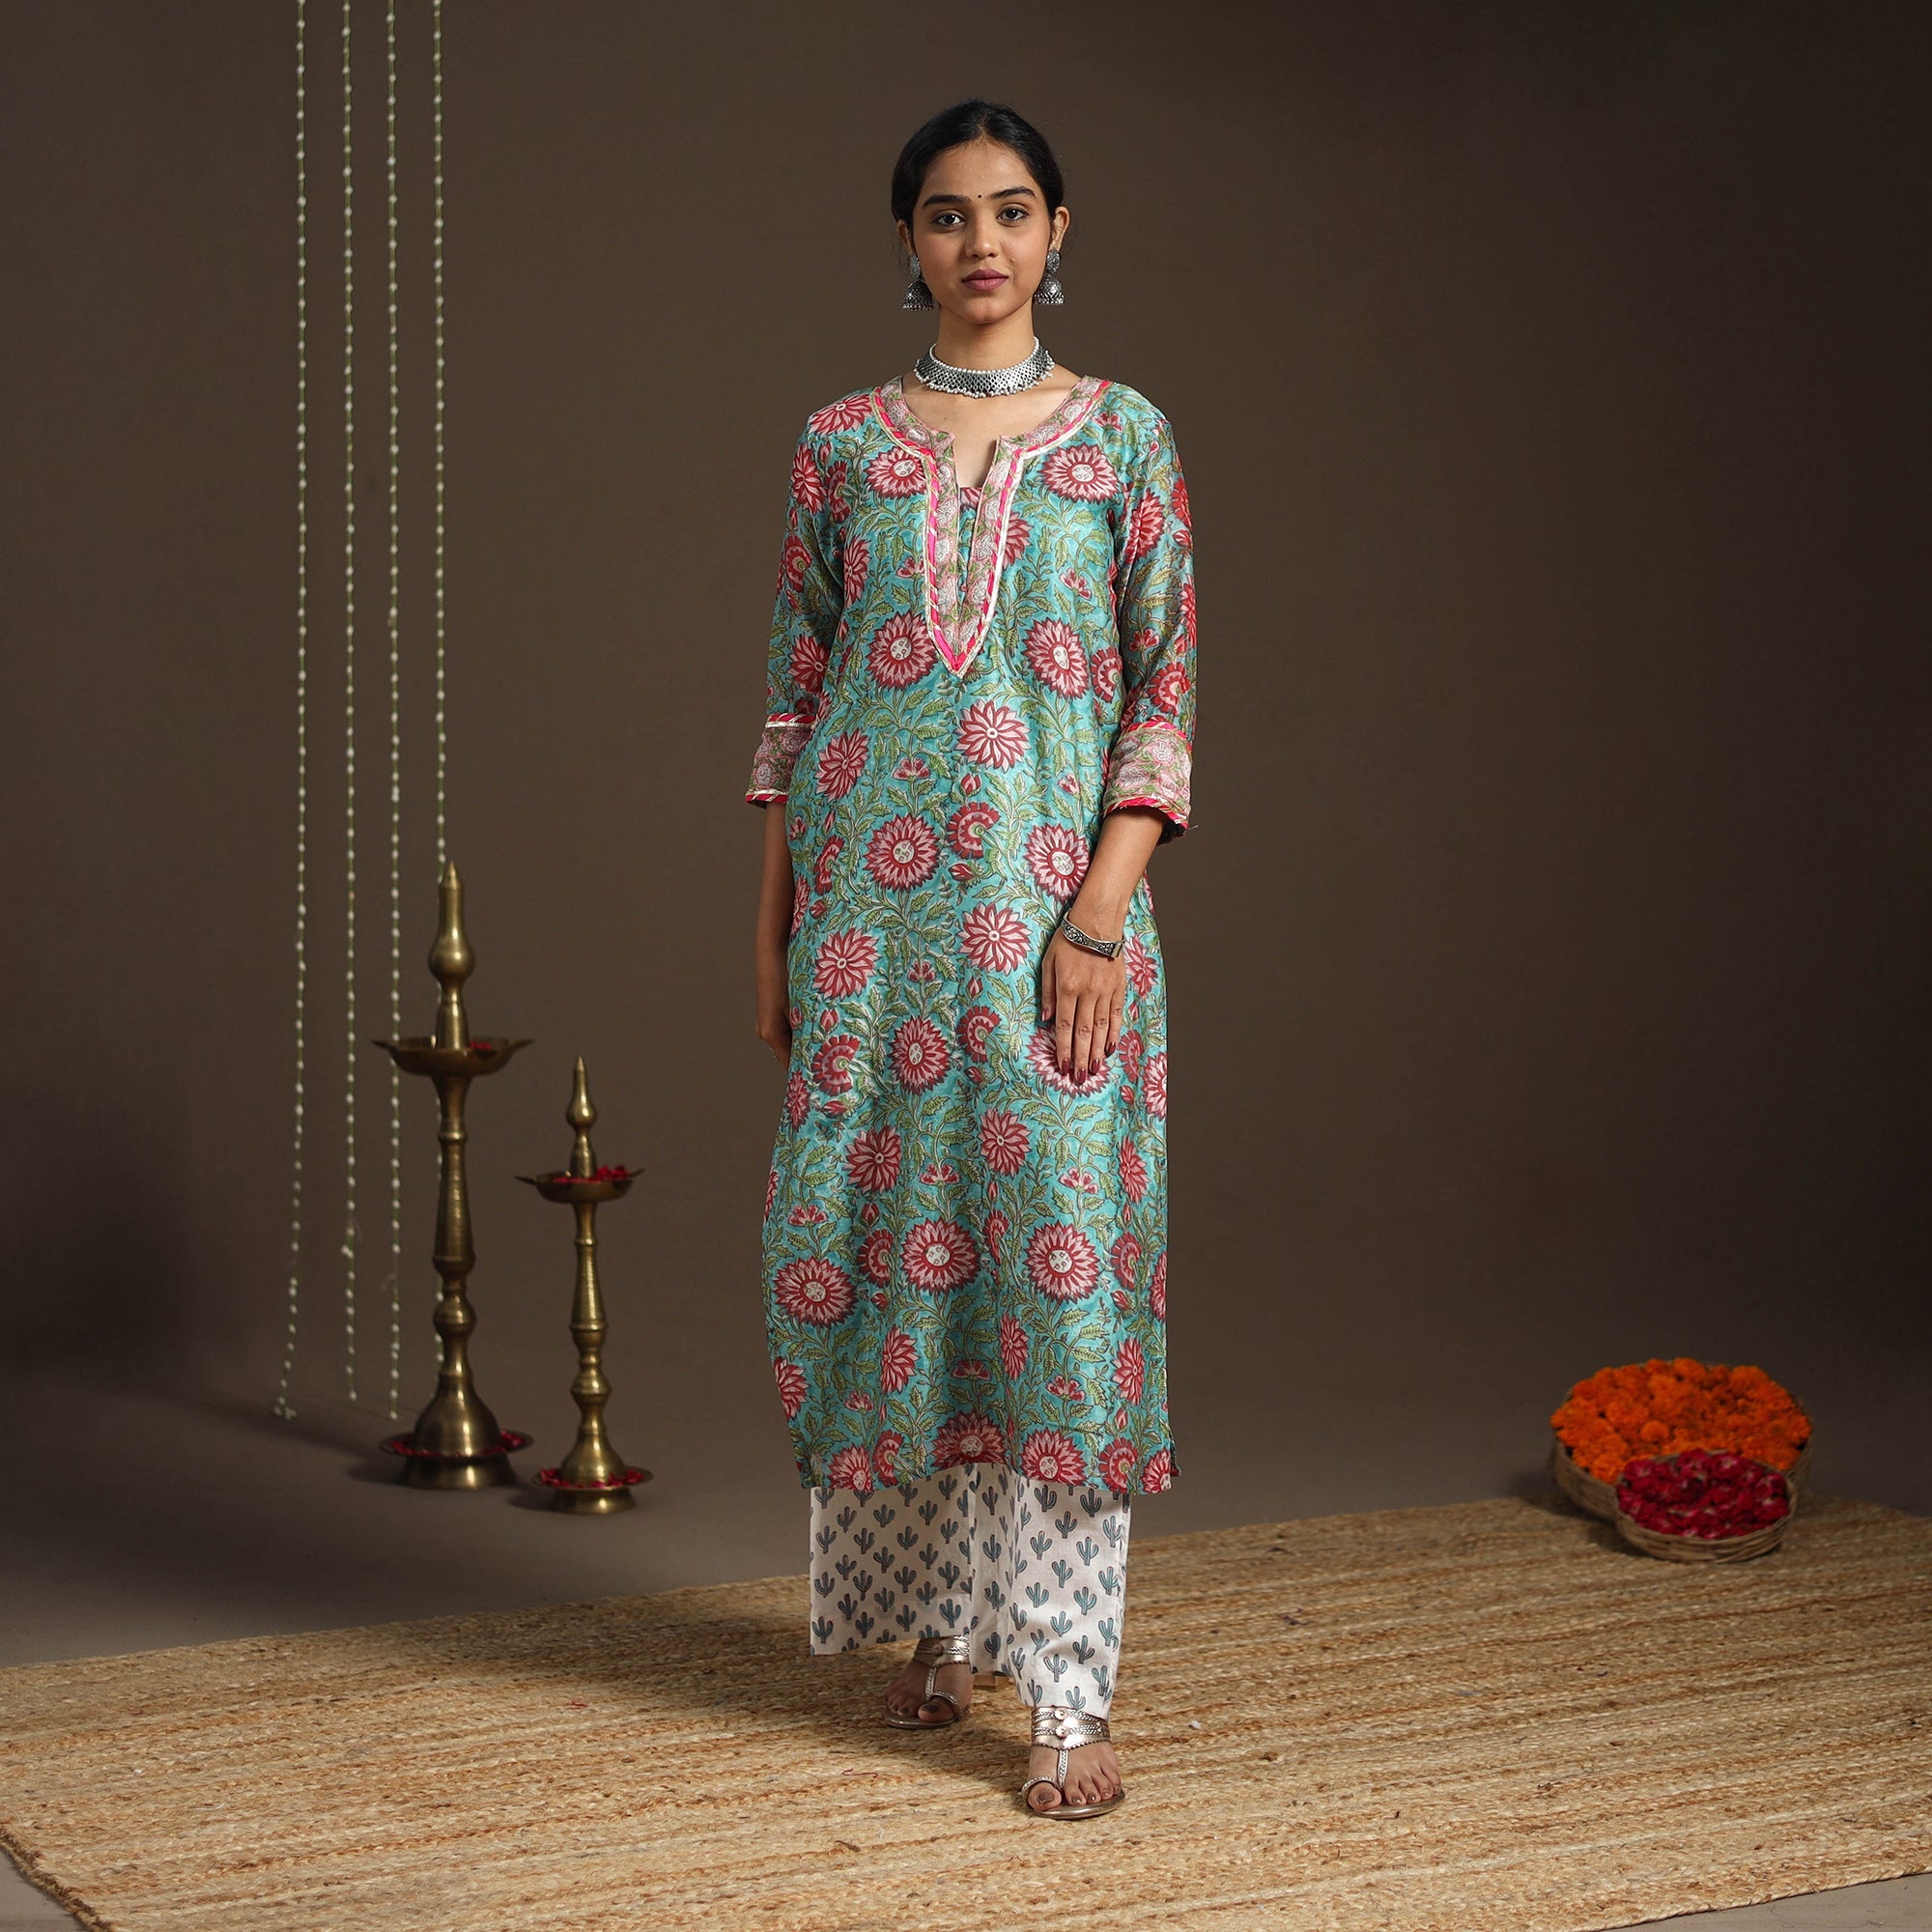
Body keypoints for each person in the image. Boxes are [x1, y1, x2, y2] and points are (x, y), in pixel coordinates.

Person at [746, 98, 1197, 1819]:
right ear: (909, 241)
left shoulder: (1125, 437)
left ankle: (1067, 1691)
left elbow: (1163, 696)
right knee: (896, 1276)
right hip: (868, 944)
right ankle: (932, 1622)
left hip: (1052, 939)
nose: (982, 242)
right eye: (948, 214)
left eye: (1012, 210)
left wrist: (1098, 916)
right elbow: (794, 707)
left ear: (1059, 233)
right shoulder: (839, 447)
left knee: (1058, 1289)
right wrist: (774, 935)